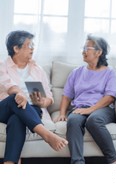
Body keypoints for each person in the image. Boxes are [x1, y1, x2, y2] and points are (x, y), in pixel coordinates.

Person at [0, 30, 68, 164]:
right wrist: (19, 93)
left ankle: (9, 164)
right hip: (4, 107)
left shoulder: (38, 70)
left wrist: (42, 102)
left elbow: (49, 97)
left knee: (17, 119)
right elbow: (8, 85)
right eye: (29, 45)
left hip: (31, 109)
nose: (33, 48)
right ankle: (46, 135)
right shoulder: (2, 66)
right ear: (16, 48)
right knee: (15, 99)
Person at [55, 35, 116, 164]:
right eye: (83, 48)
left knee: (94, 121)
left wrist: (91, 109)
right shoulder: (76, 72)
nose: (83, 51)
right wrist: (62, 113)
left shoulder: (109, 72)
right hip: (80, 107)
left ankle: (113, 161)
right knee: (73, 120)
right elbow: (67, 95)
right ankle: (78, 162)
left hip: (102, 108)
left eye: (87, 48)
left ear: (99, 52)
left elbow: (110, 97)